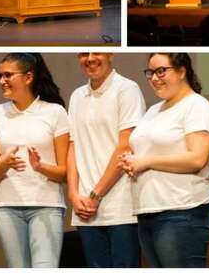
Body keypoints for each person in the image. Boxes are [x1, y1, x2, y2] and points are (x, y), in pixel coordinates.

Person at [119, 53, 209, 268]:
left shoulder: (197, 106)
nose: (154, 78)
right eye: (150, 72)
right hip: (148, 210)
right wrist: (131, 161)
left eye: (161, 71)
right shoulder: (154, 109)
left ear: (182, 71)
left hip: (182, 211)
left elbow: (197, 159)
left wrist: (145, 161)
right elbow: (146, 152)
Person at [0, 53, 69, 268]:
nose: (2, 81)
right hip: (7, 206)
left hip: (46, 205)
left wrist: (40, 167)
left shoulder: (54, 112)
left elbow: (64, 172)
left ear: (28, 77)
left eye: (8, 75)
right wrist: (5, 163)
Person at [66, 53, 146, 267]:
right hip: (85, 207)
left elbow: (126, 145)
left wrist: (96, 194)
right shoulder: (77, 96)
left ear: (111, 53)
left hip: (121, 206)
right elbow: (73, 146)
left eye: (96, 52)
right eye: (84, 54)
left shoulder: (126, 89)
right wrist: (73, 194)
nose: (90, 59)